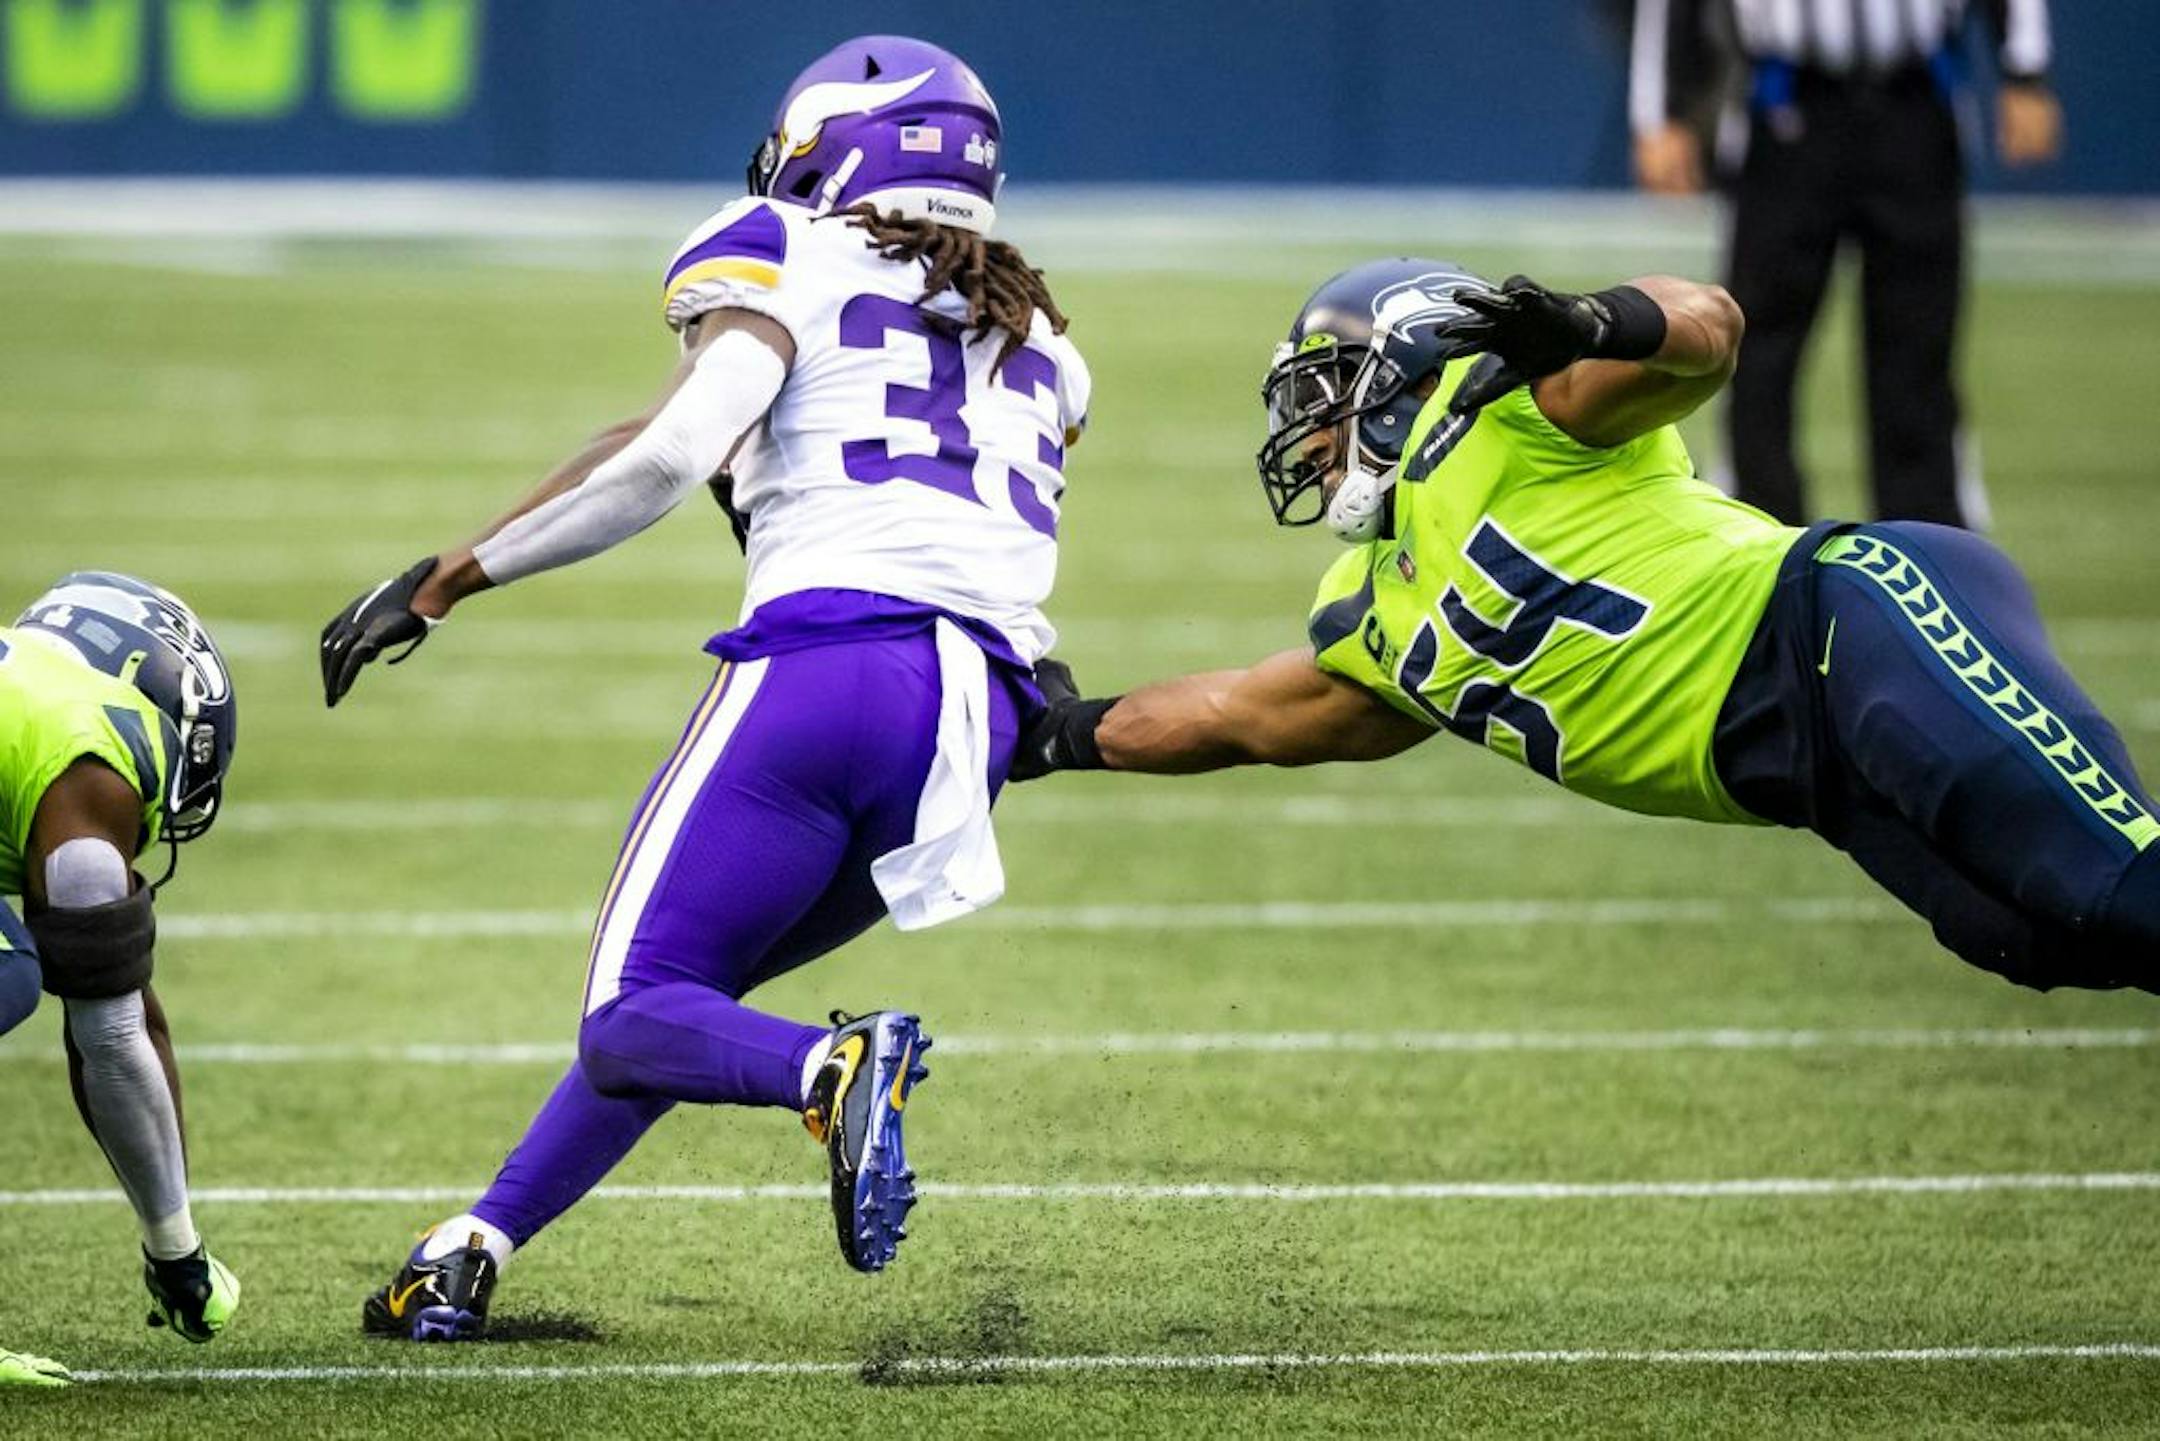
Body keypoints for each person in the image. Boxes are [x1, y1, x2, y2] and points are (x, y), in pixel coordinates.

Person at [322, 35, 1088, 1342]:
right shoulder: (1050, 348)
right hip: (975, 725)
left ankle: (826, 1066)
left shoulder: (782, 246)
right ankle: (470, 1247)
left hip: (831, 673)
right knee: (683, 999)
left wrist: (453, 574)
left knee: (637, 1011)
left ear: (830, 147)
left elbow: (676, 447)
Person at [1012, 259, 2157, 994]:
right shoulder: (1369, 611)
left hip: (1853, 623)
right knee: (2042, 936)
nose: (1309, 440)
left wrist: (1590, 321)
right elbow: (1240, 717)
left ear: (1405, 368)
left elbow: (1710, 327)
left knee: (2119, 882)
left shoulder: (1526, 412)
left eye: (1327, 394)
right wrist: (1057, 732)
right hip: (1815, 778)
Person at [1630, 0, 2062, 528]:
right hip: (1787, 102)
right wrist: (1661, 113)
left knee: (1919, 349)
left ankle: (1927, 543)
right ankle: (1760, 542)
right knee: (1757, 347)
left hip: (1916, 98)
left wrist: (2025, 71)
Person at [0, 572, 244, 1385]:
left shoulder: (33, 691)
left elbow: (127, 1012)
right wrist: (177, 1251)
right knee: (10, 981)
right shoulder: (94, 766)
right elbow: (109, 1032)